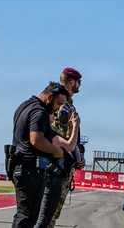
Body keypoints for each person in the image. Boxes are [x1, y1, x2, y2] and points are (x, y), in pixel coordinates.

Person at [10, 82, 78, 228]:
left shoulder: (25, 105)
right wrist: (56, 151)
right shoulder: (39, 111)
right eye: (58, 104)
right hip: (29, 169)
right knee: (27, 217)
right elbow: (36, 139)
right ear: (50, 97)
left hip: (21, 166)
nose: (58, 108)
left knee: (25, 215)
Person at [39, 68, 84, 228]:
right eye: (79, 82)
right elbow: (59, 134)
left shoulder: (63, 102)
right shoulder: (64, 105)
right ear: (72, 82)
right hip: (58, 163)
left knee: (49, 212)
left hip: (60, 161)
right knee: (50, 213)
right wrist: (74, 154)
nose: (80, 85)